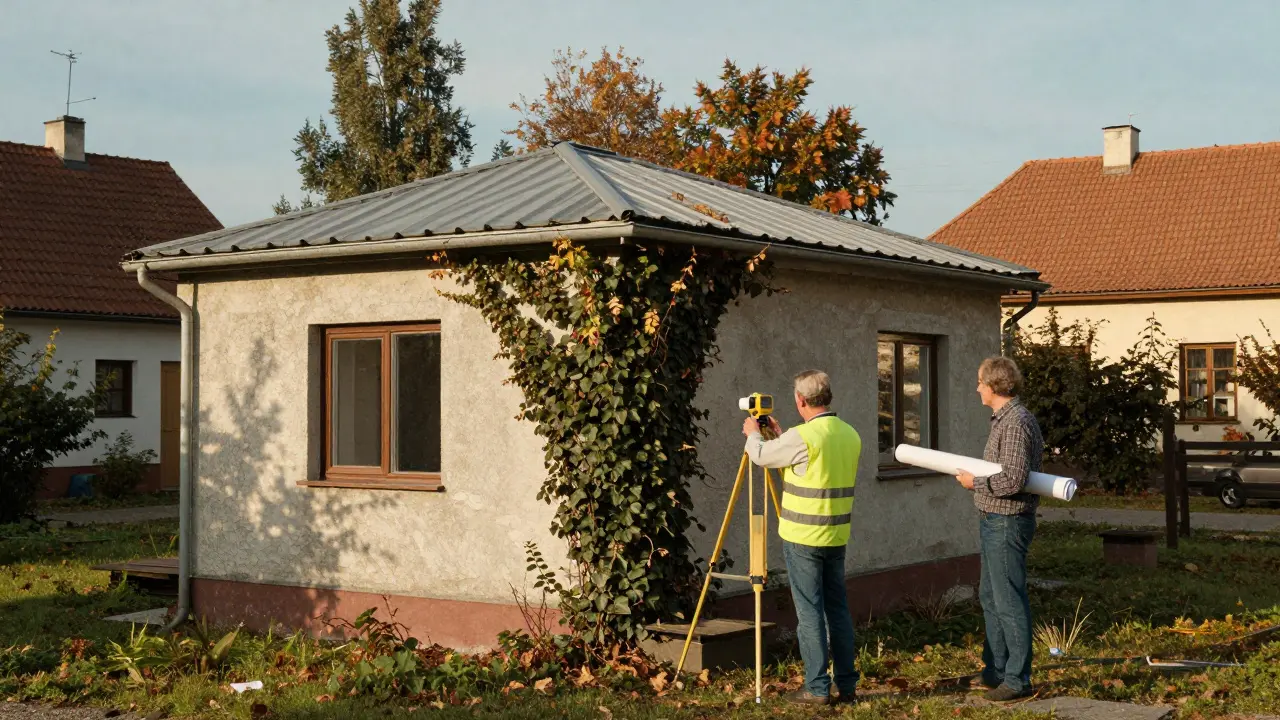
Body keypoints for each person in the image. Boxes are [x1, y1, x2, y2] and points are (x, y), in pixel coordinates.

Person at [741, 370, 861, 706]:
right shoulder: (849, 434)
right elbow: (810, 465)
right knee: (837, 610)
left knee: (809, 614)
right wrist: (781, 437)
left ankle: (817, 688)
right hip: (836, 535)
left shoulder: (802, 437)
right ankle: (846, 684)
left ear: (800, 400)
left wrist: (754, 433)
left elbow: (762, 457)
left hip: (802, 537)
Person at [954, 356, 1043, 702]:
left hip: (1007, 522)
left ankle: (1018, 680)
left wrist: (974, 483)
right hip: (994, 520)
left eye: (980, 382)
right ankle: (996, 671)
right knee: (991, 596)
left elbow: (1014, 479)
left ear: (993, 386)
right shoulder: (1003, 420)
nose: (977, 388)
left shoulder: (1016, 423)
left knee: (1008, 599)